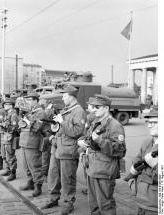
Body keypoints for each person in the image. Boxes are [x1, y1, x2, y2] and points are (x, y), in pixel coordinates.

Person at [78, 95, 126, 215]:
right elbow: (88, 137)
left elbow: (120, 150)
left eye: (96, 107)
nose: (93, 109)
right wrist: (81, 141)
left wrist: (100, 141)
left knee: (105, 205)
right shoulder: (96, 122)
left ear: (105, 108)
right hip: (92, 168)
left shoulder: (114, 125)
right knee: (93, 204)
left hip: (104, 171)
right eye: (92, 106)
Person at [42, 85, 86, 215]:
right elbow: (61, 130)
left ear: (71, 97)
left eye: (64, 95)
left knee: (68, 178)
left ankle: (68, 203)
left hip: (68, 150)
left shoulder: (79, 111)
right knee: (53, 175)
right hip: (57, 148)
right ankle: (53, 198)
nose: (62, 97)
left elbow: (77, 132)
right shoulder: (66, 110)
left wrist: (62, 122)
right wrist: (56, 125)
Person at [127, 107, 158, 215]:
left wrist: (156, 166)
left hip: (156, 204)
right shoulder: (147, 141)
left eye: (154, 122)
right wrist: (132, 177)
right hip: (141, 198)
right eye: (148, 122)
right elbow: (137, 159)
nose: (149, 125)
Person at [19, 92, 47, 197]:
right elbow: (21, 124)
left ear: (35, 100)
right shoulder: (30, 112)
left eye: (30, 100)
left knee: (35, 165)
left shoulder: (40, 113)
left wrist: (28, 122)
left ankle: (38, 186)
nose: (28, 102)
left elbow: (37, 128)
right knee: (26, 165)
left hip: (33, 142)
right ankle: (31, 182)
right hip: (25, 141)